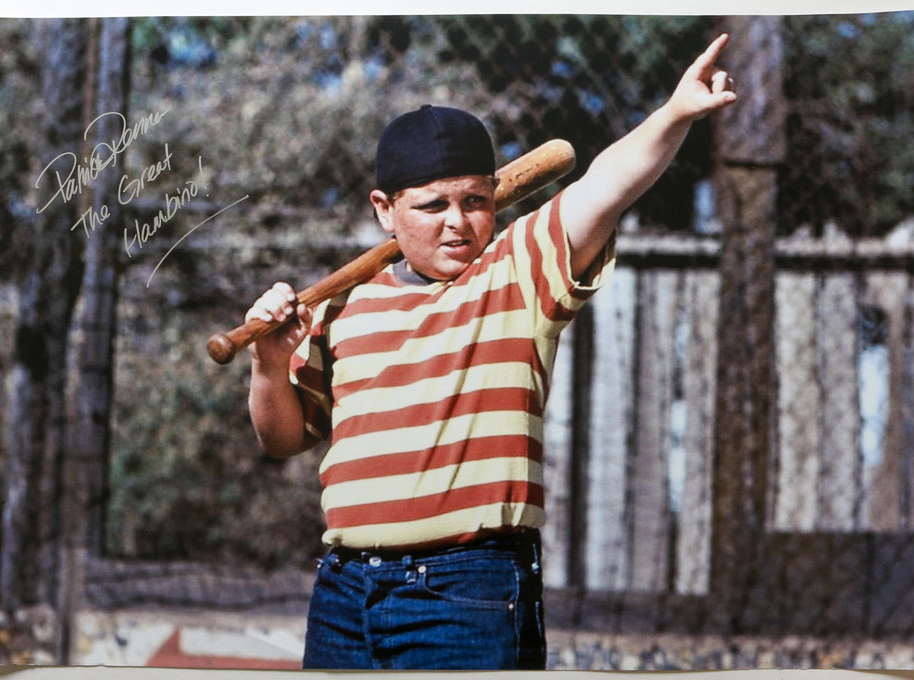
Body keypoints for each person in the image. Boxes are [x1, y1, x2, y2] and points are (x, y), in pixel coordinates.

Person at [244, 34, 737, 670]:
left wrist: (672, 115)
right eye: (432, 205)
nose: (458, 222)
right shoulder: (344, 307)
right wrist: (267, 364)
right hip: (343, 590)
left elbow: (605, 186)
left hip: (466, 589)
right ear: (385, 210)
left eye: (475, 201)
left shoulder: (518, 272)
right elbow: (281, 439)